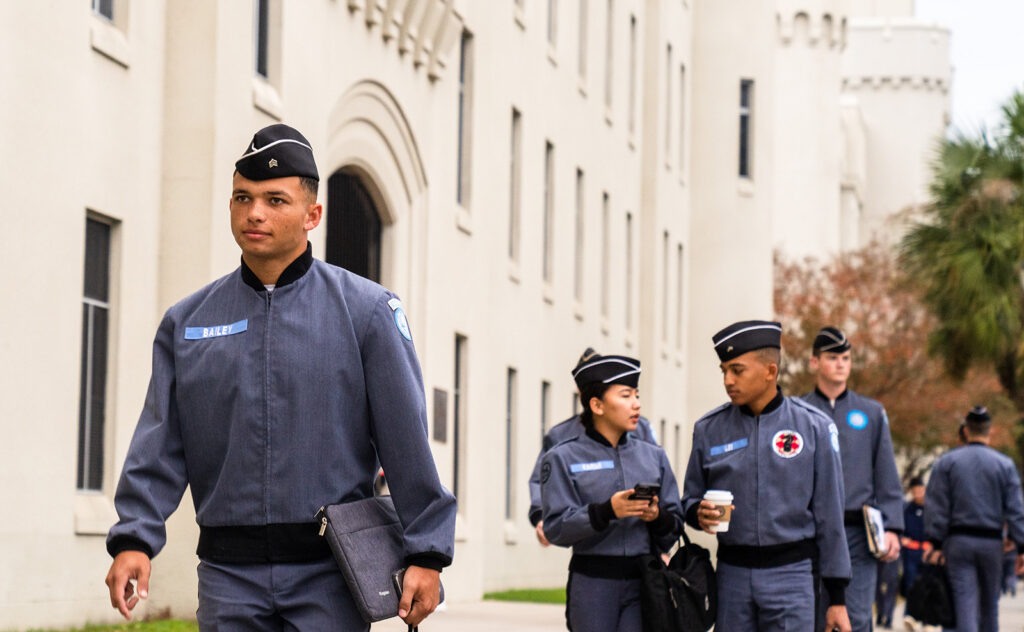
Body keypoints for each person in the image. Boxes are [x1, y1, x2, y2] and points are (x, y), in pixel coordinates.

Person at [103, 124, 457, 630]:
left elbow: (406, 440)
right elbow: (160, 442)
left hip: (330, 579)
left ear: (313, 214)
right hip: (228, 579)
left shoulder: (368, 313)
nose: (255, 213)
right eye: (242, 197)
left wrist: (427, 551)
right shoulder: (187, 322)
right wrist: (136, 537)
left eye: (275, 200)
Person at [681, 320, 852, 632]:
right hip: (732, 575)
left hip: (792, 576)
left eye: (737, 370)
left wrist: (837, 598)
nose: (728, 380)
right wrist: (697, 513)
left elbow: (831, 516)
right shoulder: (709, 429)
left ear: (770, 372)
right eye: (724, 371)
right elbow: (689, 499)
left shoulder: (814, 427)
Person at [540, 354, 683, 631]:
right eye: (626, 395)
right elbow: (556, 528)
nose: (636, 404)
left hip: (644, 585)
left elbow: (674, 526)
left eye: (637, 395)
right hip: (592, 585)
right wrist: (606, 512)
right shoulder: (562, 457)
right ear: (597, 405)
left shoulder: (653, 457)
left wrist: (656, 516)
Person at [801, 327, 903, 632]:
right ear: (814, 362)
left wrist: (893, 527)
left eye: (845, 357)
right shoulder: (798, 412)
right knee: (813, 618)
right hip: (811, 532)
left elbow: (886, 472)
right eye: (832, 357)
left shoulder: (870, 413)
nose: (841, 364)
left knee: (856, 618)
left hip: (858, 533)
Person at [528, 347, 659, 547]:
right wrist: (541, 517)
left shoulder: (640, 428)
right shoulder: (561, 435)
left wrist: (661, 537)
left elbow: (658, 479)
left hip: (639, 545)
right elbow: (541, 480)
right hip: (589, 542)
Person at [924, 406, 1024, 632]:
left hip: (958, 542)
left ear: (966, 431)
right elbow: (1015, 509)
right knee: (990, 605)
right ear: (991, 432)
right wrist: (1021, 546)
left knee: (964, 603)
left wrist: (936, 543)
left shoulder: (947, 462)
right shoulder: (1005, 465)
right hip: (992, 543)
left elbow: (936, 505)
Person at [899, 477, 929, 599]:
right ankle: (910, 613)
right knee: (910, 583)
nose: (917, 493)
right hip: (911, 551)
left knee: (927, 583)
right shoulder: (907, 509)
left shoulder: (931, 508)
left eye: (920, 490)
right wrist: (902, 538)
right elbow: (899, 527)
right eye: (914, 491)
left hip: (927, 551)